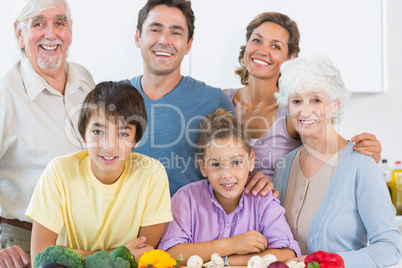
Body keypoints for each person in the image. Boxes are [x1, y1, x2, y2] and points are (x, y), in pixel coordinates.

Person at [131, 0, 273, 197]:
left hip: (195, 225)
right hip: (127, 226)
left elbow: (235, 167)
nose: (164, 40)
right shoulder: (115, 99)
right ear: (138, 36)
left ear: (188, 44)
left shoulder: (214, 101)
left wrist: (259, 181)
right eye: (155, 29)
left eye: (176, 32)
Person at [272, 55, 401, 267]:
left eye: (316, 100)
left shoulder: (361, 163)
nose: (305, 111)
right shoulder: (283, 167)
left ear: (334, 104)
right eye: (296, 101)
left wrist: (336, 261)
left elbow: (390, 247)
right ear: (288, 106)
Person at [26, 81, 172, 262]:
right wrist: (114, 255)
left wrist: (72, 253)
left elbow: (143, 256)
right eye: (97, 131)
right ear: (83, 133)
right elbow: (40, 258)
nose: (109, 145)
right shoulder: (59, 172)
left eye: (123, 134)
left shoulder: (152, 174)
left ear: (137, 139)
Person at [225, 12, 382, 179]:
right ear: (246, 45)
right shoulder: (219, 99)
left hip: (278, 204)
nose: (262, 51)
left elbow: (330, 154)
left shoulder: (295, 110)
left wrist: (363, 155)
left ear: (290, 58)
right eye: (257, 40)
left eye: (275, 46)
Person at [0, 0, 95, 266]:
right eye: (38, 23)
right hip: (23, 246)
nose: (51, 34)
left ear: (70, 31)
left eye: (59, 23)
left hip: (82, 246)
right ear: (19, 34)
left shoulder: (85, 80)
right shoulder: (5, 93)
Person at [158, 108, 300, 265]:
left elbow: (288, 253)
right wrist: (232, 244)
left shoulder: (263, 201)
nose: (227, 174)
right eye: (216, 164)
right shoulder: (186, 199)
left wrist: (226, 261)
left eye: (236, 162)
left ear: (251, 161)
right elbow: (170, 254)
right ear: (203, 167)